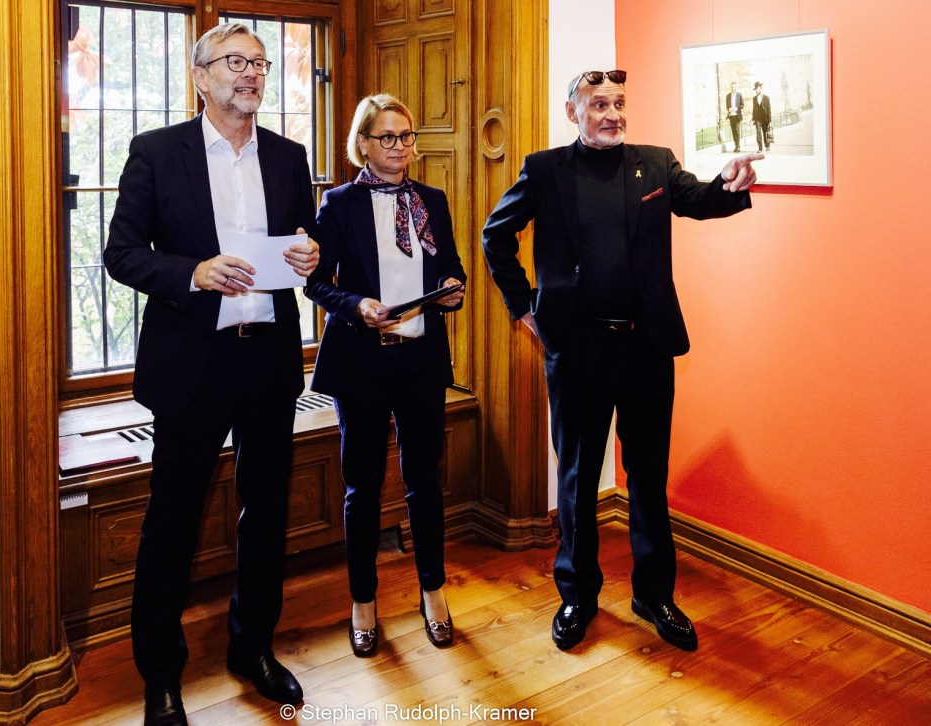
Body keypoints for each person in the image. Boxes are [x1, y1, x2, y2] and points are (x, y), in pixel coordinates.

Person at [482, 68, 761, 654]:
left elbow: (698, 201)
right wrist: (524, 306)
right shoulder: (544, 169)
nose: (612, 114)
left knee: (649, 475)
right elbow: (495, 235)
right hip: (577, 347)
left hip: (646, 346)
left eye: (619, 103)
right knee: (578, 477)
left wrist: (729, 182)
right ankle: (577, 595)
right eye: (599, 104)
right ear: (573, 111)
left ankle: (654, 595)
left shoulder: (655, 165)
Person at [103, 22, 320, 725]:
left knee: (267, 513)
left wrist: (313, 257)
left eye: (259, 63)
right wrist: (192, 272)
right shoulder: (156, 152)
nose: (252, 73)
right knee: (173, 520)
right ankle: (161, 675)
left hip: (269, 357)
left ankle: (252, 647)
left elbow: (307, 245)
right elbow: (121, 253)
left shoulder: (288, 156)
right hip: (192, 362)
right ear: (200, 77)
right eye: (235, 62)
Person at [305, 93, 466, 658]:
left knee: (425, 481)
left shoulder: (431, 201)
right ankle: (363, 602)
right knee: (363, 487)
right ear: (363, 143)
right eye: (388, 137)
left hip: (420, 360)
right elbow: (316, 283)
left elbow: (450, 266)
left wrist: (452, 289)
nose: (400, 146)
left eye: (406, 136)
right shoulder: (339, 203)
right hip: (362, 362)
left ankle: (433, 592)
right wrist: (356, 306)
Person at [753, 81, 773, 151]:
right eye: (756, 89)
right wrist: (753, 119)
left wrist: (770, 120)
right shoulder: (754, 98)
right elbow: (754, 109)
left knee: (766, 132)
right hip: (758, 119)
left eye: (758, 89)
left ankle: (767, 146)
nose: (756, 90)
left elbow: (769, 109)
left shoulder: (766, 98)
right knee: (758, 133)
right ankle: (760, 148)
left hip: (765, 119)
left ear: (761, 89)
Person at [725, 81, 744, 152]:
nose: (733, 89)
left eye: (734, 87)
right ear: (731, 88)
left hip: (737, 116)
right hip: (731, 116)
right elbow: (727, 106)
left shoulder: (739, 95)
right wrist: (729, 109)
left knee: (737, 130)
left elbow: (742, 105)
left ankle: (738, 146)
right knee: (733, 131)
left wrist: (737, 108)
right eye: (732, 87)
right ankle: (736, 145)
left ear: (736, 87)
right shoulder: (728, 96)